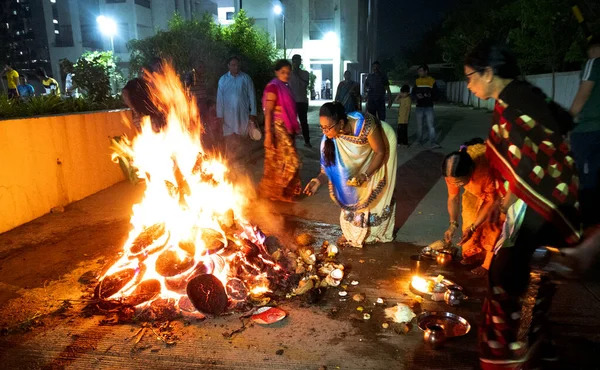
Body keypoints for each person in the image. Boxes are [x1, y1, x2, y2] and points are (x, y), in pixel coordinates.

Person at [464, 41, 581, 369]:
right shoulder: (513, 98)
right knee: (520, 275)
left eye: (471, 77)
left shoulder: (516, 100)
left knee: (510, 274)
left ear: (488, 73)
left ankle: (512, 351)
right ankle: (531, 344)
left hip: (545, 201)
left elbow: (540, 152)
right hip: (533, 200)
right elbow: (521, 157)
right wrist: (507, 200)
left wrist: (515, 196)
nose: (470, 85)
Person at [303, 102, 397, 247]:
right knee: (349, 186)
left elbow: (380, 152)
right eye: (321, 127)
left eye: (327, 127)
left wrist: (365, 175)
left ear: (341, 123)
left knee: (375, 185)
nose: (324, 132)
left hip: (382, 142)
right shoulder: (329, 139)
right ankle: (356, 232)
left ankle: (375, 232)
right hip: (362, 154)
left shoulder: (365, 125)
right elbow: (328, 170)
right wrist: (317, 181)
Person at [442, 139, 503, 276]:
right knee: (469, 221)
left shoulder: (485, 170)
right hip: (474, 192)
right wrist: (452, 225)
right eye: (452, 182)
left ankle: (488, 263)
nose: (455, 184)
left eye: (458, 182)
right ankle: (476, 253)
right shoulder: (452, 171)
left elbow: (491, 201)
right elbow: (453, 197)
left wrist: (474, 226)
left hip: (498, 193)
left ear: (470, 171)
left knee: (493, 227)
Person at [259, 59, 302, 202]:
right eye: (283, 72)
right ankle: (279, 191)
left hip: (286, 128)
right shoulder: (273, 87)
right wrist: (268, 134)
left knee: (280, 161)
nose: (286, 75)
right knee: (292, 161)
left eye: (288, 73)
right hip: (278, 128)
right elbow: (269, 112)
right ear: (276, 72)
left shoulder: (286, 86)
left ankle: (282, 193)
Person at [569, 38, 600, 228]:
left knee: (585, 180)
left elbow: (583, 93)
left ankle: (587, 227)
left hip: (587, 132)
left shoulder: (594, 63)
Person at [216, 56, 257, 154]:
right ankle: (230, 160)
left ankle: (243, 159)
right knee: (229, 137)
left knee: (242, 135)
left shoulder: (245, 78)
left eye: (237, 65)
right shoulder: (223, 79)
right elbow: (220, 99)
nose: (236, 67)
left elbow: (252, 95)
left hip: (242, 112)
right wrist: (220, 116)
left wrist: (253, 113)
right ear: (228, 66)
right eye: (233, 65)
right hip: (228, 115)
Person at [412, 64, 439, 148]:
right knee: (419, 125)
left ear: (426, 71)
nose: (419, 73)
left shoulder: (432, 81)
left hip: (428, 106)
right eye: (418, 71)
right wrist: (416, 97)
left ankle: (433, 143)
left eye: (421, 71)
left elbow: (436, 93)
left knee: (430, 125)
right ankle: (419, 141)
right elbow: (413, 93)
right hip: (419, 106)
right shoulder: (417, 81)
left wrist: (432, 98)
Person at [289, 54, 312, 148]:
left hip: (302, 101)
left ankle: (307, 141)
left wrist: (297, 74)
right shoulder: (289, 74)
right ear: (292, 62)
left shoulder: (305, 73)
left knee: (303, 122)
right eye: (294, 61)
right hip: (292, 102)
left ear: (300, 62)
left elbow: (304, 85)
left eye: (298, 61)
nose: (296, 63)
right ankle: (291, 142)